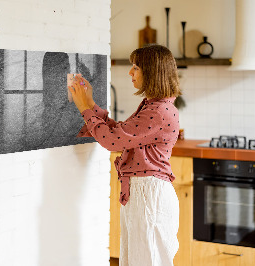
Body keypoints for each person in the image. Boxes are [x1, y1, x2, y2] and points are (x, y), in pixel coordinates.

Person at [69, 44, 181, 266]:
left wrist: (84, 108)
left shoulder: (158, 111)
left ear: (152, 72)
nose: (130, 72)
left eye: (136, 67)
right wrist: (90, 103)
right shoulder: (154, 106)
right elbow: (120, 133)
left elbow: (112, 141)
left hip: (149, 195)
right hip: (144, 193)